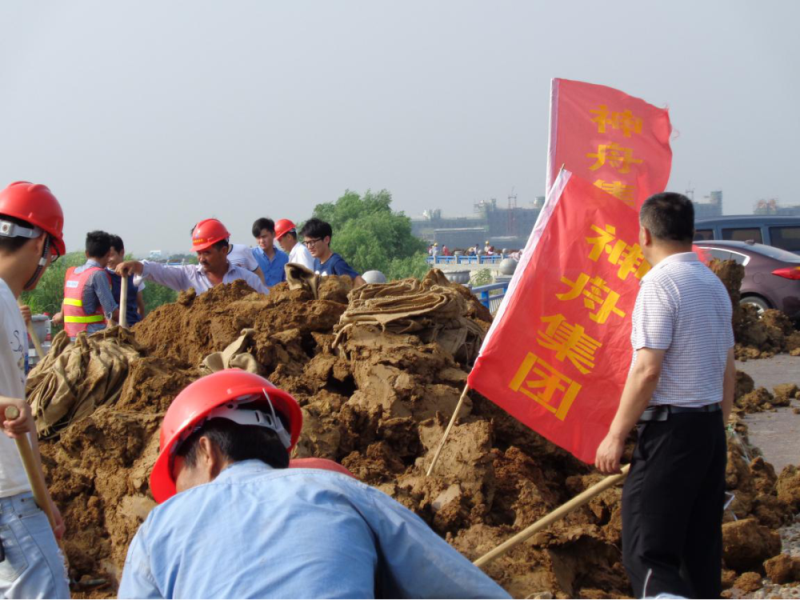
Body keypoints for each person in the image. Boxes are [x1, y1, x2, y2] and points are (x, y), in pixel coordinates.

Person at [118, 370, 510, 599]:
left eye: (178, 476)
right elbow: (465, 590)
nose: (179, 495)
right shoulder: (343, 491)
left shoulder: (157, 530)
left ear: (206, 452)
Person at [594, 192, 735, 599]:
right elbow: (728, 367)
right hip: (709, 430)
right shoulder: (712, 283)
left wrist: (616, 435)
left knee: (647, 552)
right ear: (691, 232)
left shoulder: (660, 284)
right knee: (699, 553)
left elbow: (647, 369)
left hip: (672, 432)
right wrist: (717, 427)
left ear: (644, 234)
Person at [0, 181, 70, 599]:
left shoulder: (8, 300)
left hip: (18, 492)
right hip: (7, 497)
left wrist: (42, 496)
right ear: (42, 244)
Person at [115, 219, 268, 295]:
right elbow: (160, 271)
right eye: (199, 253)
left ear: (223, 250)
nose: (201, 259)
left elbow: (268, 307)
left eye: (206, 253)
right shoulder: (188, 276)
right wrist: (137, 266)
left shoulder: (248, 280)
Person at [54, 231, 120, 338]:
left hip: (70, 336)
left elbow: (66, 300)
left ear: (87, 253)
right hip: (90, 338)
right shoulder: (98, 274)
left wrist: (61, 315)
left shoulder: (72, 273)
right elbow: (111, 311)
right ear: (108, 254)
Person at [299, 218, 365, 287]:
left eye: (312, 242)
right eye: (306, 243)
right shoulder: (316, 262)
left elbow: (359, 281)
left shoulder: (336, 263)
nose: (309, 247)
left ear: (326, 240)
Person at [107, 235, 143, 326]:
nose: (108, 260)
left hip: (133, 326)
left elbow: (140, 306)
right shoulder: (102, 276)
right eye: (105, 256)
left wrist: (141, 327)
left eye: (111, 255)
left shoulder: (135, 275)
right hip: (112, 329)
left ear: (122, 252)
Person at [250, 218, 288, 287]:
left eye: (264, 237)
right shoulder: (251, 255)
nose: (261, 241)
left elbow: (286, 282)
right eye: (258, 238)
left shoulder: (284, 257)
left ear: (273, 234)